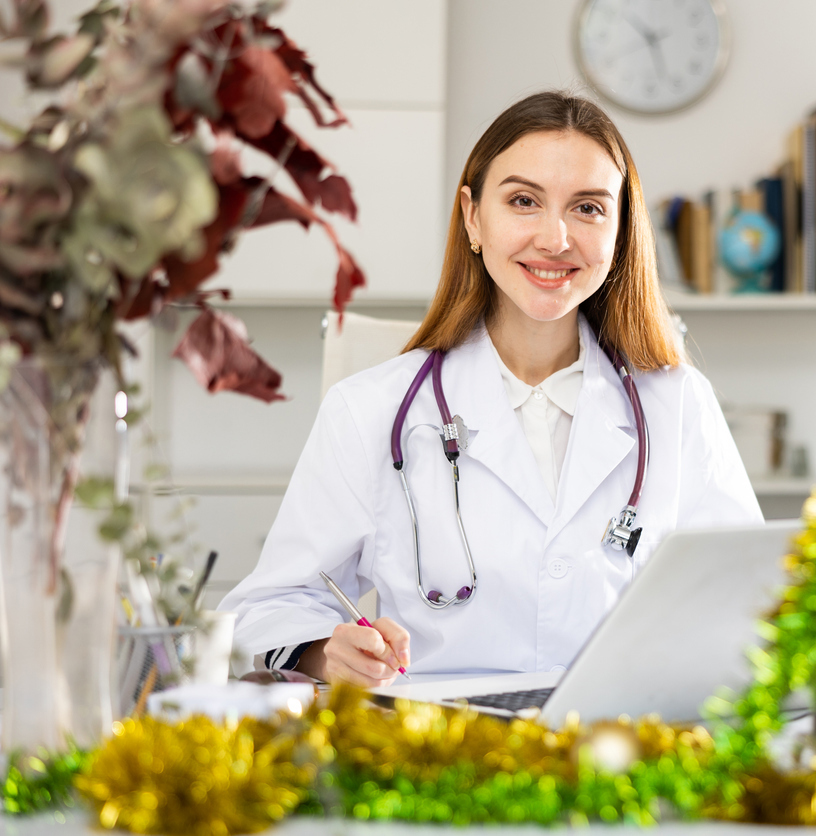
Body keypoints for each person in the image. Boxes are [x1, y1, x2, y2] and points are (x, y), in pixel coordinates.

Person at [220, 91, 764, 686]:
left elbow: (747, 604)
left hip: (619, 747)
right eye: (524, 201)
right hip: (440, 749)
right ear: (474, 216)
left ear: (620, 230)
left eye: (588, 208)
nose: (555, 238)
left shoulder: (678, 404)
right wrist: (329, 652)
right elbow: (267, 607)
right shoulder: (371, 410)